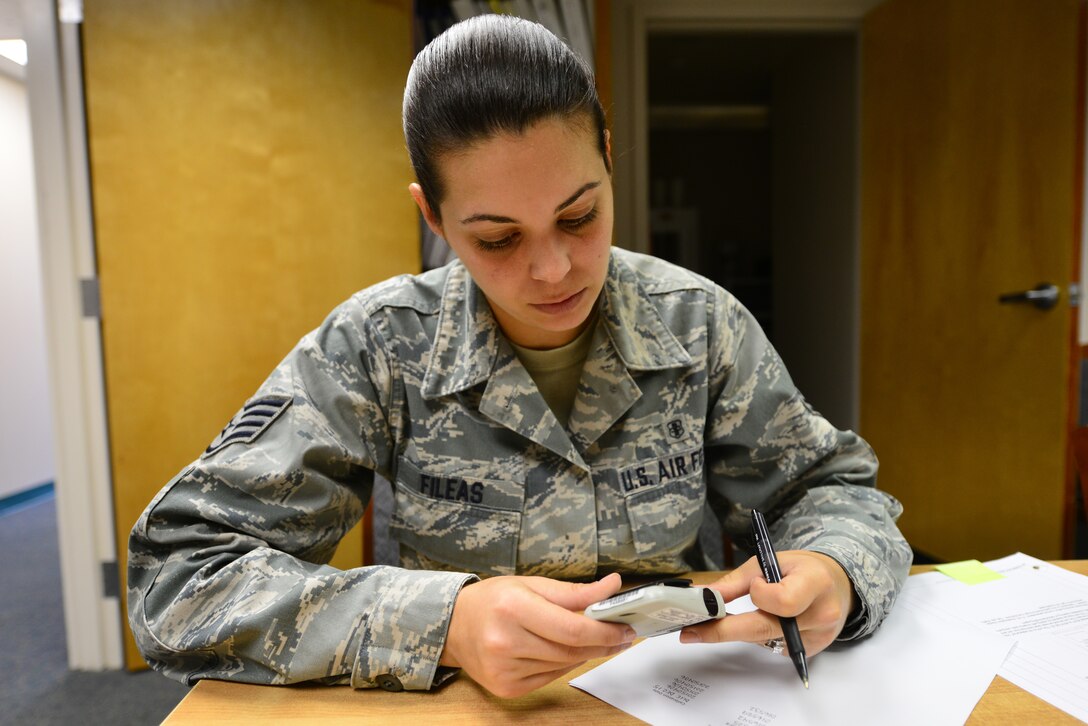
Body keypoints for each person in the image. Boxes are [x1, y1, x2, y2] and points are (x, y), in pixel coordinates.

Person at [127, 14, 912, 699]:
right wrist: (444, 624)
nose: (553, 270)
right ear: (432, 214)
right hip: (471, 705)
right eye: (497, 238)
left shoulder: (699, 324)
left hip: (683, 693)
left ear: (608, 158)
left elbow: (831, 490)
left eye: (579, 216)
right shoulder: (375, 345)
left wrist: (834, 568)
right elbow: (179, 576)